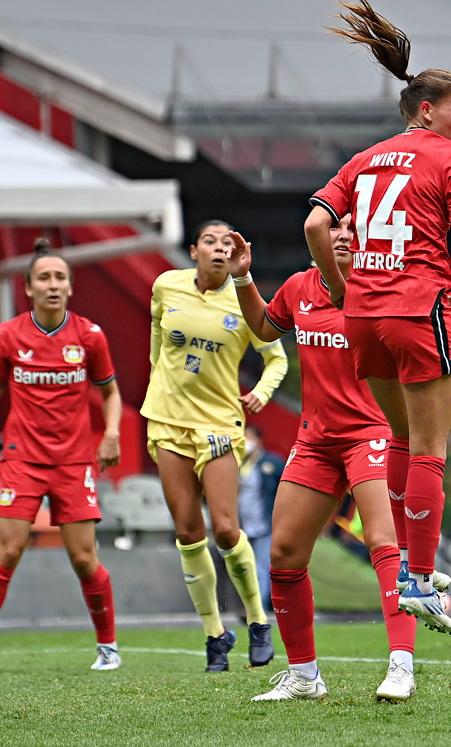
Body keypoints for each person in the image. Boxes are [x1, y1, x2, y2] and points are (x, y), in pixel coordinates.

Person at [306, 0, 451, 636]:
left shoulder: (365, 156)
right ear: (427, 110)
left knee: (398, 441)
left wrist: (342, 291)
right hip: (420, 307)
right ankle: (418, 578)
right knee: (431, 448)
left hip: (363, 314)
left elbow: (315, 223)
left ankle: (408, 574)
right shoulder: (449, 158)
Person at [227, 223, 424, 702]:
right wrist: (242, 279)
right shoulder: (299, 287)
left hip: (374, 435)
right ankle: (304, 677)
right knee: (283, 555)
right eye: (334, 225)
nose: (342, 234)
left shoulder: (386, 288)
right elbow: (263, 328)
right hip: (316, 442)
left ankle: (402, 666)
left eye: (354, 226)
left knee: (383, 542)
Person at [0, 240, 122, 674]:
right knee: (8, 551)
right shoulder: (7, 335)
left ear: (70, 287)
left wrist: (111, 433)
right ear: (28, 288)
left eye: (60, 278)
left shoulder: (89, 336)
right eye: (44, 278)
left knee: (85, 559)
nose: (53, 285)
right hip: (22, 460)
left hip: (74, 462)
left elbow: (110, 393)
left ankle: (108, 647)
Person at [141, 220, 288, 672]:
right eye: (210, 241)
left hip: (220, 424)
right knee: (188, 532)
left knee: (226, 529)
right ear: (193, 251)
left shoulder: (246, 302)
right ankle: (214, 634)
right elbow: (154, 345)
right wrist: (159, 388)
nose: (219, 248)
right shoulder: (166, 285)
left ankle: (258, 621)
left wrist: (261, 394)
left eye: (228, 243)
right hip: (168, 421)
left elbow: (276, 358)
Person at [238, 424, 283, 612]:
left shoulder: (271, 462)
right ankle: (255, 605)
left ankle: (259, 608)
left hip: (265, 522)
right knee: (245, 566)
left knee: (261, 566)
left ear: (258, 440)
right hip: (242, 523)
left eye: (248, 436)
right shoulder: (238, 463)